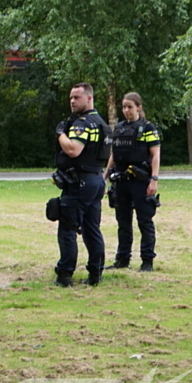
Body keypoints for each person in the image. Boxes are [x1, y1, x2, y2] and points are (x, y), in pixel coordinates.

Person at [52, 83, 111, 287]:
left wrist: (60, 133)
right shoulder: (101, 123)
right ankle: (96, 273)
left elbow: (73, 150)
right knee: (91, 228)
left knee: (68, 228)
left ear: (89, 98)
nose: (72, 101)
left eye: (77, 97)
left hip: (80, 183)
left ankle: (65, 274)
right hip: (96, 180)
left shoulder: (83, 124)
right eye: (71, 97)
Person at [103, 92, 161, 272]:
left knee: (144, 221)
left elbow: (155, 154)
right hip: (120, 181)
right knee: (123, 222)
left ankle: (147, 261)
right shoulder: (119, 128)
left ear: (139, 107)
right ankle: (122, 259)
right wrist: (104, 177)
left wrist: (154, 179)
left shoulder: (148, 128)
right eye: (124, 107)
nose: (126, 110)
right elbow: (113, 155)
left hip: (140, 180)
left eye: (130, 107)